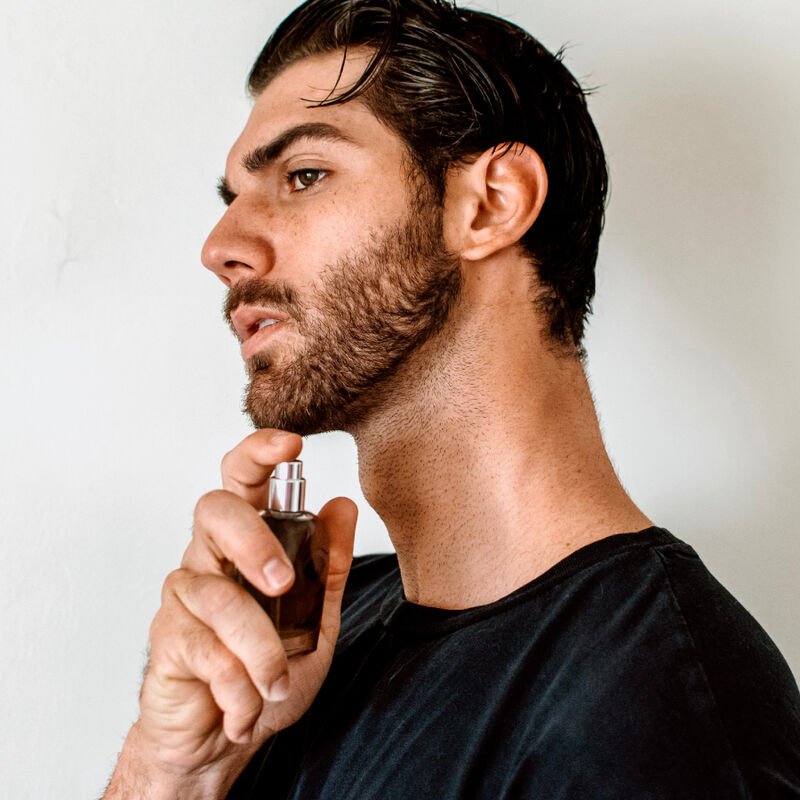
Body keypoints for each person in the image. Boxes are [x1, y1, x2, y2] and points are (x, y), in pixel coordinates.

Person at [104, 0, 800, 797]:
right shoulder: (306, 642)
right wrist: (174, 769)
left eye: (304, 176)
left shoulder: (656, 711)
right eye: (230, 197)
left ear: (491, 203)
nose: (220, 247)